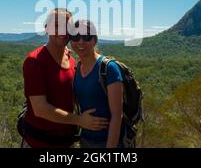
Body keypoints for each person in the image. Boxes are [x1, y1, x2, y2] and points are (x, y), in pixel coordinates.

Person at [21, 9, 109, 148]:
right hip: (38, 142)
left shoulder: (72, 60)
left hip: (66, 141)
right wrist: (79, 120)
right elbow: (40, 109)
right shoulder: (35, 61)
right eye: (56, 25)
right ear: (46, 29)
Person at [70, 20, 125, 148]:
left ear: (95, 40)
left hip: (107, 142)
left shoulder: (109, 69)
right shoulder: (76, 68)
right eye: (76, 37)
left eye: (87, 37)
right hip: (85, 140)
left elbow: (117, 115)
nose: (81, 42)